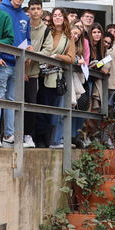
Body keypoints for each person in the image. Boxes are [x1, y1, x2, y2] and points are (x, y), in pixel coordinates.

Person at [0, 0, 32, 147]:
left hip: (17, 64)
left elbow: (27, 38)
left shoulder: (25, 17)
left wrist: (29, 46)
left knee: (13, 100)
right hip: (2, 62)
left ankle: (9, 135)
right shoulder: (0, 10)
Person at [41, 8, 75, 148]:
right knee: (43, 110)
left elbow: (71, 58)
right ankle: (43, 140)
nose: (57, 17)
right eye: (54, 15)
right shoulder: (46, 31)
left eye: (60, 15)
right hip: (41, 75)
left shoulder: (68, 37)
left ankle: (56, 140)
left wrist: (56, 57)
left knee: (59, 110)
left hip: (57, 77)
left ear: (64, 18)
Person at [26, 0, 54, 148]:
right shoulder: (23, 24)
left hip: (33, 73)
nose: (35, 11)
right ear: (29, 10)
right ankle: (12, 134)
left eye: (38, 8)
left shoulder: (46, 30)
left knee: (31, 105)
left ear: (42, 11)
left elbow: (47, 51)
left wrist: (32, 54)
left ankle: (28, 135)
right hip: (16, 71)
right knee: (13, 104)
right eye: (33, 8)